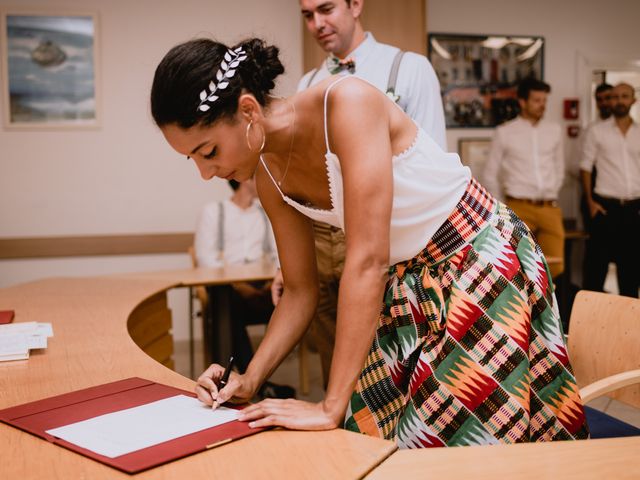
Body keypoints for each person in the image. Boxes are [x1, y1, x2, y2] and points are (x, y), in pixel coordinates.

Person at [151, 37, 588, 447]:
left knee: (450, 441)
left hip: (476, 258)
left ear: (248, 111)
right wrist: (249, 378)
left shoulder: (347, 103)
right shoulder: (267, 176)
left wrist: (329, 404)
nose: (206, 174)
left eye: (208, 153)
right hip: (409, 281)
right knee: (372, 432)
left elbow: (367, 260)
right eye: (193, 159)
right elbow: (302, 290)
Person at [271, 0, 447, 388]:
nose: (317, 23)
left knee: (390, 368)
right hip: (322, 243)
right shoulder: (307, 83)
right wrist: (286, 262)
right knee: (335, 365)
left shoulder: (408, 67)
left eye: (327, 9)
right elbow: (296, 176)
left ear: (355, 5)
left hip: (385, 240)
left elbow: (434, 165)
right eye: (307, 15)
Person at [195, 178, 295, 399]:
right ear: (243, 179)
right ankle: (255, 383)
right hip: (230, 289)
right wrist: (240, 286)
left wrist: (271, 282)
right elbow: (206, 259)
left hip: (265, 288)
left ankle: (249, 381)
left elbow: (280, 254)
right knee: (229, 305)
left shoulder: (265, 213)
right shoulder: (214, 212)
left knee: (289, 298)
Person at [484, 78, 566, 279]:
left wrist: (551, 189)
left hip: (549, 207)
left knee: (555, 265)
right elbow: (490, 173)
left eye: (544, 100)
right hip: (518, 207)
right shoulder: (504, 132)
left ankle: (545, 307)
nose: (542, 105)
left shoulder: (554, 130)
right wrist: (503, 208)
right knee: (516, 264)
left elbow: (559, 167)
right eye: (537, 100)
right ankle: (524, 308)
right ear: (522, 102)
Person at [580, 82, 640, 298]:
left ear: (633, 100)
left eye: (625, 96)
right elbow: (585, 167)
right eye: (615, 96)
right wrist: (590, 202)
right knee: (595, 272)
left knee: (631, 273)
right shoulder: (597, 131)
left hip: (634, 210)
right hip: (605, 209)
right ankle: (587, 326)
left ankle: (630, 328)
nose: (619, 101)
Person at [579, 83, 613, 233]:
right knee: (596, 243)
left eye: (608, 98)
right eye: (599, 99)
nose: (604, 103)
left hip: (625, 197)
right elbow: (583, 165)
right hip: (596, 193)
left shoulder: (632, 131)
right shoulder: (590, 130)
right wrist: (590, 200)